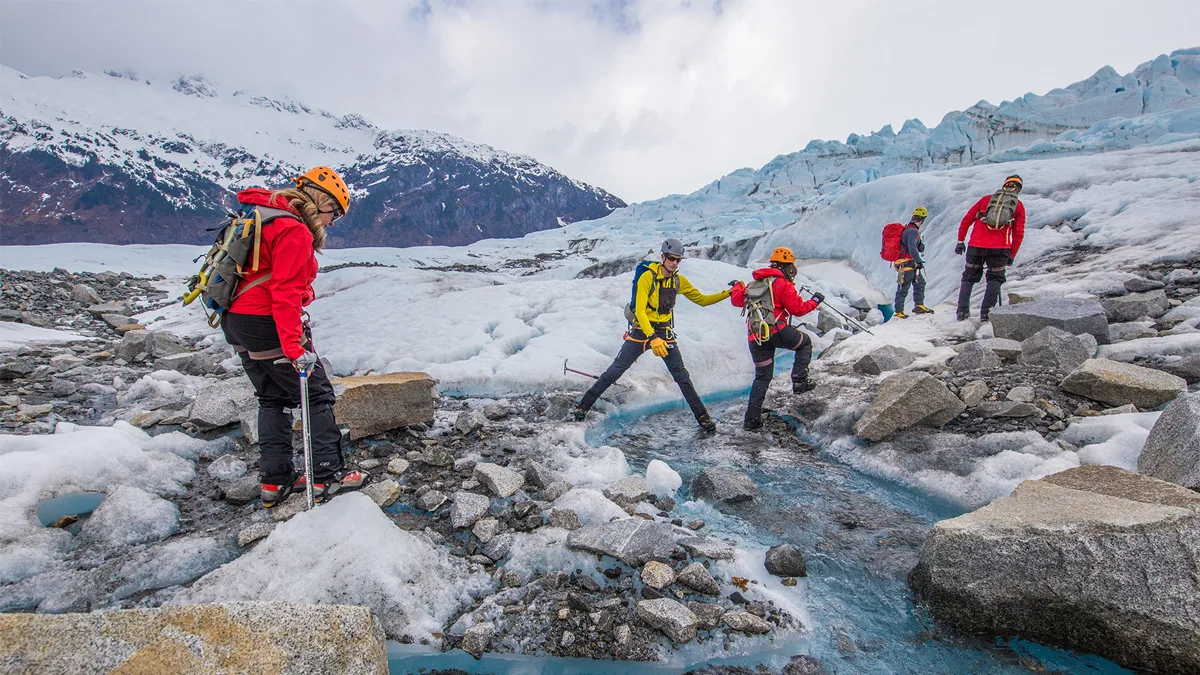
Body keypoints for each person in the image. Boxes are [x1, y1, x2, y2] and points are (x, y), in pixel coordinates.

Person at [221, 166, 368, 507]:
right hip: (265, 322)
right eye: (334, 213)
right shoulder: (294, 230)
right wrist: (293, 347)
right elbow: (284, 292)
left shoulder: (264, 215)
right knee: (317, 394)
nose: (332, 222)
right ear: (320, 200)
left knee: (271, 397)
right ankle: (327, 476)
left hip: (237, 319)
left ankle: (275, 481)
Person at [573, 238, 732, 432]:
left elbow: (702, 300)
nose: (674, 263)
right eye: (671, 258)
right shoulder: (647, 277)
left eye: (678, 260)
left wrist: (729, 293)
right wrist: (652, 337)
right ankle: (583, 406)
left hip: (664, 331)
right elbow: (640, 310)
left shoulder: (678, 281)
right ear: (663, 257)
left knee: (682, 376)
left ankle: (704, 418)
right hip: (642, 330)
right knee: (615, 370)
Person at [730, 247, 822, 431]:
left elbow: (737, 300)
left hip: (756, 336)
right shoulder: (782, 284)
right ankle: (799, 381)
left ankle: (751, 421)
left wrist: (736, 286)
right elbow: (798, 309)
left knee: (762, 378)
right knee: (804, 343)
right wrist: (815, 301)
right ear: (787, 266)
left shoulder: (754, 284)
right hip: (777, 331)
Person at [955, 175, 1026, 321]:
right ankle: (986, 315)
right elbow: (1018, 233)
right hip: (1000, 248)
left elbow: (967, 220)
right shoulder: (1018, 206)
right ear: (1018, 189)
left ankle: (962, 312)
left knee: (968, 277)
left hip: (976, 245)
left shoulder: (986, 200)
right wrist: (1012, 254)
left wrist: (960, 241)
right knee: (995, 279)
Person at [892, 207, 934, 319]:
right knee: (904, 286)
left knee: (919, 283)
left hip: (907, 262)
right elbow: (912, 248)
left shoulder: (908, 230)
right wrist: (919, 261)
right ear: (922, 219)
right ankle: (898, 311)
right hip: (907, 262)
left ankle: (919, 305)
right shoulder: (913, 231)